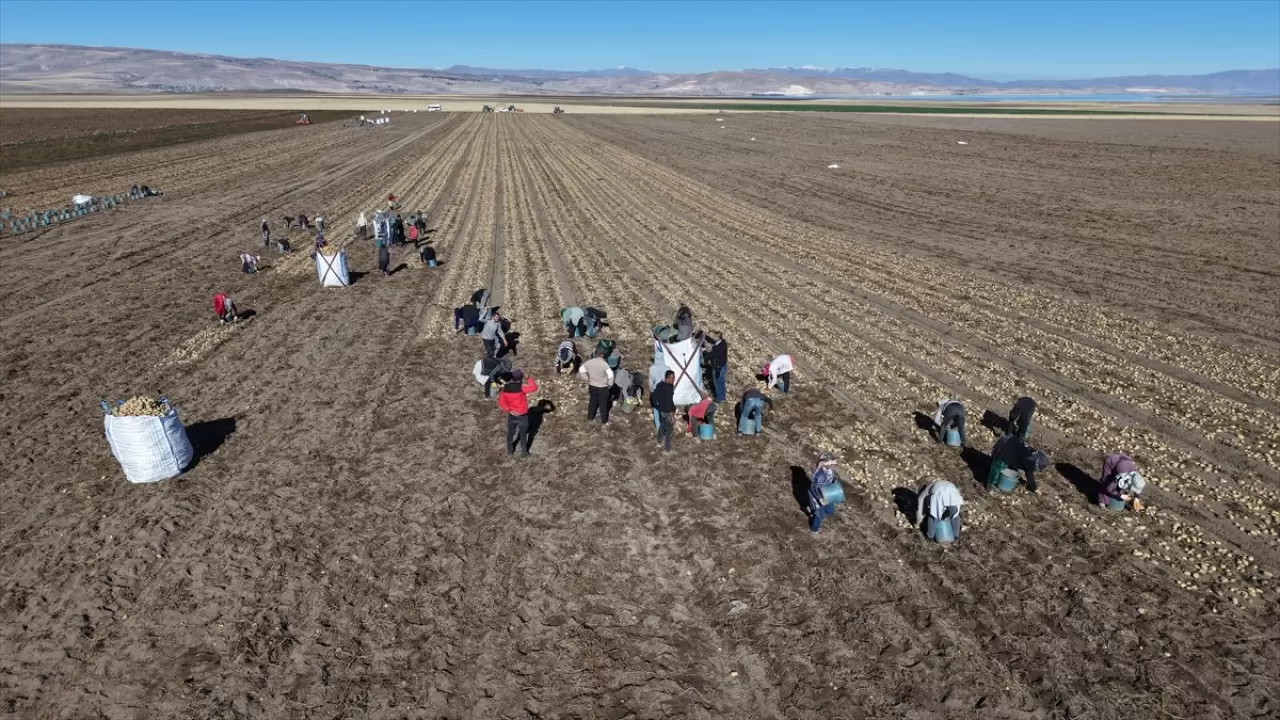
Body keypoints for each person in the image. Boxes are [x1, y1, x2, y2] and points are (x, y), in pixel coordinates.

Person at [497, 369, 539, 457]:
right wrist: (528, 378)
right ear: (521, 378)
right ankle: (524, 453)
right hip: (522, 417)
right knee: (523, 435)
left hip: (512, 416)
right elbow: (534, 387)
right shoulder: (522, 387)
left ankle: (510, 451)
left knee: (510, 433)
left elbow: (501, 402)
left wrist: (509, 410)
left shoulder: (505, 388)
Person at [579, 348, 615, 425]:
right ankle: (604, 421)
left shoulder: (589, 362)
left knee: (592, 402)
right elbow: (611, 375)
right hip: (603, 388)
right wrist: (610, 384)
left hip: (592, 386)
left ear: (595, 354)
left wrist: (587, 379)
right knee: (603, 405)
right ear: (602, 355)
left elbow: (581, 370)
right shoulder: (604, 364)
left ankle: (590, 417)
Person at [807, 453, 840, 535]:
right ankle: (814, 530)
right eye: (831, 463)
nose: (833, 465)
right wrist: (819, 499)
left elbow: (831, 477)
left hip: (827, 493)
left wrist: (833, 481)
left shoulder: (830, 471)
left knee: (830, 509)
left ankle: (812, 510)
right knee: (819, 515)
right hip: (817, 496)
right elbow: (813, 488)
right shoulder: (819, 474)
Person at [651, 370, 677, 452]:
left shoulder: (659, 385)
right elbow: (669, 402)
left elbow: (653, 397)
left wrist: (657, 406)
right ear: (668, 378)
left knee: (662, 427)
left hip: (661, 410)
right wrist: (672, 415)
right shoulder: (668, 388)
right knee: (669, 429)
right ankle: (667, 448)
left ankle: (659, 443)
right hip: (667, 411)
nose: (674, 380)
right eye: (672, 378)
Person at [704, 331, 728, 402]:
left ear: (718, 338)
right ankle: (722, 397)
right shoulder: (722, 342)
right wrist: (705, 336)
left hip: (718, 367)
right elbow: (712, 341)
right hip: (723, 366)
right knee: (722, 383)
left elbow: (711, 355)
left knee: (717, 383)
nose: (713, 337)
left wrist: (704, 351)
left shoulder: (718, 348)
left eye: (714, 336)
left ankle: (719, 399)